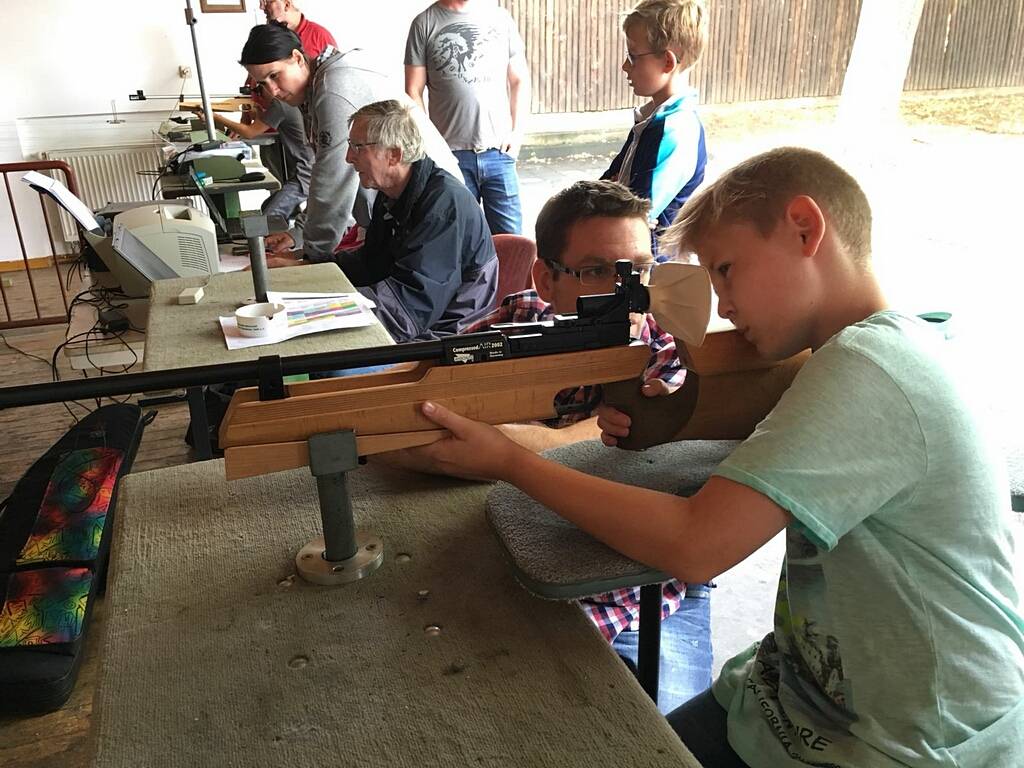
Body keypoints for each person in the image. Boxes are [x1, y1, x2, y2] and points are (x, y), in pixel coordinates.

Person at [408, 146, 1024, 767]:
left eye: (727, 270)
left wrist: (510, 462)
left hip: (914, 743)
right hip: (788, 695)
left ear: (804, 229)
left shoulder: (869, 370)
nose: (723, 306)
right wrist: (666, 418)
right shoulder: (884, 346)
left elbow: (695, 545)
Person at [239, 24, 463, 266]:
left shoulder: (333, 88)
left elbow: (333, 180)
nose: (272, 91)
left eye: (274, 75)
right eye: (262, 83)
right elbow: (324, 176)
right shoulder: (316, 88)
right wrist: (299, 234)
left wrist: (310, 259)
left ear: (297, 58)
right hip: (404, 211)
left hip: (433, 208)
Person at [333, 100, 497, 343]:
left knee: (332, 356)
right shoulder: (393, 192)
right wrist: (316, 268)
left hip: (448, 334)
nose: (349, 158)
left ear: (394, 154)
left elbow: (410, 308)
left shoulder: (442, 207)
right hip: (419, 319)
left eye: (358, 147)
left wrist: (330, 311)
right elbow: (372, 262)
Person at [405, 0, 530, 235]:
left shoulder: (501, 18)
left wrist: (517, 133)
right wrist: (433, 147)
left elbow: (519, 80)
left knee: (511, 240)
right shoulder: (424, 23)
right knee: (460, 238)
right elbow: (413, 90)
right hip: (451, 157)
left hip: (499, 153)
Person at [603, 0, 708, 256]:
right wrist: (615, 199)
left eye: (633, 56)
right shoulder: (652, 120)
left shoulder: (674, 130)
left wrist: (620, 204)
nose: (625, 66)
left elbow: (634, 217)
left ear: (668, 63)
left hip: (650, 266)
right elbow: (606, 187)